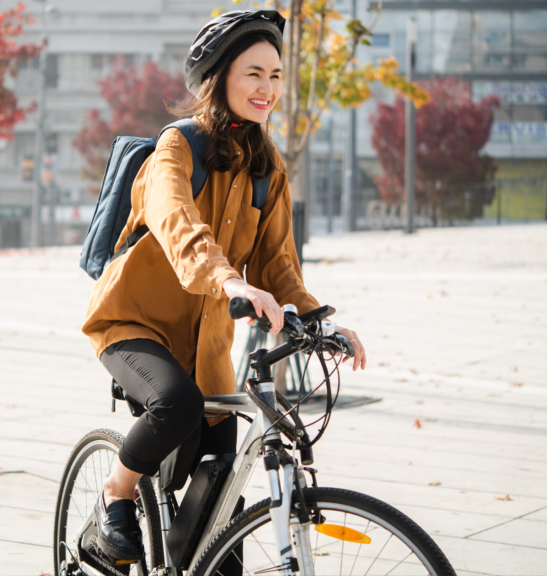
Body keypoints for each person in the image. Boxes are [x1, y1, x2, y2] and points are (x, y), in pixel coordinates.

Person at [80, 10, 366, 562]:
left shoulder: (268, 167)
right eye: (254, 73)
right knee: (177, 404)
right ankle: (112, 496)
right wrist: (230, 279)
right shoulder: (176, 148)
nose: (268, 88)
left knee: (220, 521)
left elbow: (279, 265)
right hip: (132, 326)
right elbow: (177, 225)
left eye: (277, 75)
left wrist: (318, 320)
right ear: (219, 76)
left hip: (206, 349)